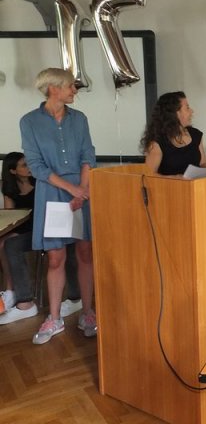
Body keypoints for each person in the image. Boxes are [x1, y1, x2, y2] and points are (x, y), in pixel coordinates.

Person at [20, 68, 97, 344]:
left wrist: (82, 191)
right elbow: (36, 165)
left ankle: (88, 313)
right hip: (52, 193)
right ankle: (54, 318)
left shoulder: (80, 119)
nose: (75, 90)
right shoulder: (29, 121)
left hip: (82, 192)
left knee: (85, 252)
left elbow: (88, 156)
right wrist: (71, 189)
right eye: (70, 86)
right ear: (53, 88)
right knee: (56, 257)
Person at [0, 152, 82, 325]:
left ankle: (76, 297)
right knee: (8, 244)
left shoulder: (40, 182)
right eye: (24, 165)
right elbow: (13, 216)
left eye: (29, 163)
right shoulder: (10, 190)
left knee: (69, 243)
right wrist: (13, 232)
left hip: (47, 227)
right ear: (13, 171)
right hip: (29, 232)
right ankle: (22, 299)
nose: (29, 168)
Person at [140, 91, 206, 175]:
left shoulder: (196, 135)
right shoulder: (157, 141)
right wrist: (174, 178)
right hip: (168, 184)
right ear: (175, 113)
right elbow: (148, 176)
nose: (192, 111)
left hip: (196, 183)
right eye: (187, 108)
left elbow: (203, 163)